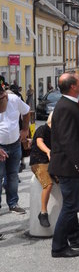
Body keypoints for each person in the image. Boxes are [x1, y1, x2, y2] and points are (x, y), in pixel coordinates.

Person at [49, 72, 79, 258]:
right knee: (70, 206)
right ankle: (59, 247)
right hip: (68, 167)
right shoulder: (66, 107)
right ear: (73, 86)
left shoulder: (69, 103)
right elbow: (69, 141)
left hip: (68, 166)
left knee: (72, 204)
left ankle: (76, 238)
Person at [0, 81, 30, 214]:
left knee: (12, 175)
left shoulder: (14, 99)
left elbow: (27, 111)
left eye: (3, 99)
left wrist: (25, 129)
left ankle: (13, 203)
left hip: (14, 144)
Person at [29, 112, 54, 228]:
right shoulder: (42, 129)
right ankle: (43, 212)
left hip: (51, 162)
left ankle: (73, 203)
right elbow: (39, 142)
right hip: (38, 161)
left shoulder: (58, 133)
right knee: (48, 184)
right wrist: (48, 151)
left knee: (67, 178)